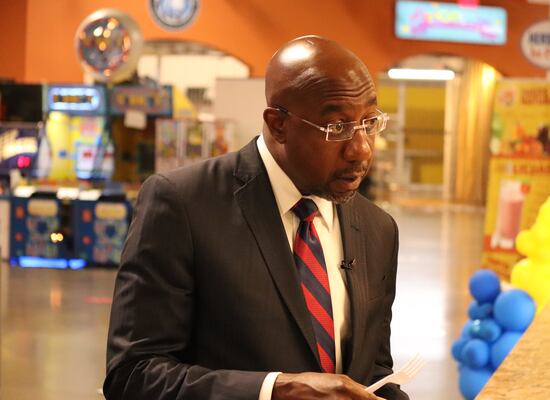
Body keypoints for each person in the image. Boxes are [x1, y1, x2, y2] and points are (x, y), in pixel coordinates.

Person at [104, 35, 409, 400]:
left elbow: (373, 369)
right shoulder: (183, 204)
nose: (360, 149)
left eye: (369, 122)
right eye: (337, 128)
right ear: (278, 124)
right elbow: (133, 374)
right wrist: (273, 390)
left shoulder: (377, 229)